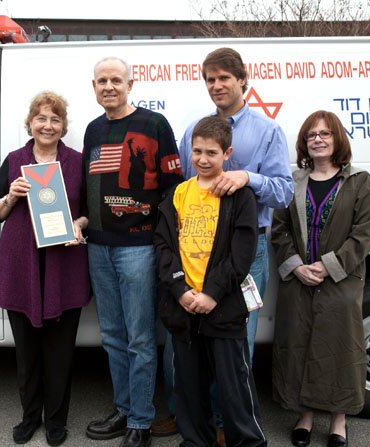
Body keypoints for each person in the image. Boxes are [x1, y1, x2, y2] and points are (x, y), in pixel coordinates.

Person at [153, 47, 293, 444]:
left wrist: (248, 177)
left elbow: (283, 193)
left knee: (233, 346)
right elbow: (185, 191)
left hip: (245, 250)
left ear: (242, 79)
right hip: (193, 248)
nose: (217, 86)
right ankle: (188, 419)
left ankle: (224, 423)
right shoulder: (192, 131)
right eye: (210, 79)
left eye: (224, 78)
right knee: (184, 342)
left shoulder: (267, 131)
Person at [83, 56, 183, 447]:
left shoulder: (154, 125)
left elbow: (175, 186)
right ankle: (124, 409)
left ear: (130, 83)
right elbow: (90, 189)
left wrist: (157, 236)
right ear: (93, 86)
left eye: (116, 80)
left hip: (138, 248)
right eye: (102, 80)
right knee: (111, 335)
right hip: (99, 247)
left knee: (140, 338)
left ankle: (142, 420)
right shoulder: (92, 130)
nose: (109, 86)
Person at [0, 91, 90, 446]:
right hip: (22, 267)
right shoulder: (15, 160)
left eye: (55, 119)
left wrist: (79, 223)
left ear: (63, 126)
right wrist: (11, 195)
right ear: (30, 123)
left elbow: (89, 210)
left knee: (59, 354)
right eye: (41, 119)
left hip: (64, 265)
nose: (48, 125)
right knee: (27, 354)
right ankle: (30, 417)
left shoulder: (76, 162)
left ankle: (56, 421)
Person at [154, 115, 267, 447]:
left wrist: (213, 293)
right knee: (189, 388)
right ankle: (195, 441)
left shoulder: (239, 197)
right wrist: (180, 289)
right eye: (197, 151)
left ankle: (248, 441)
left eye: (212, 153)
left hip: (223, 308)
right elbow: (162, 246)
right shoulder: (177, 194)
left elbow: (241, 254)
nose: (203, 159)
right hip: (183, 308)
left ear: (227, 153)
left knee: (234, 388)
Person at [271, 110, 370, 447]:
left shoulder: (359, 181)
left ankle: (339, 420)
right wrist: (296, 266)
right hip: (298, 280)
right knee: (298, 346)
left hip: (341, 281)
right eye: (311, 135)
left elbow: (362, 236)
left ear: (337, 140)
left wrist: (326, 267)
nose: (317, 139)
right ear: (304, 143)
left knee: (339, 349)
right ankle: (303, 416)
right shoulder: (294, 181)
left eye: (325, 134)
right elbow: (280, 229)